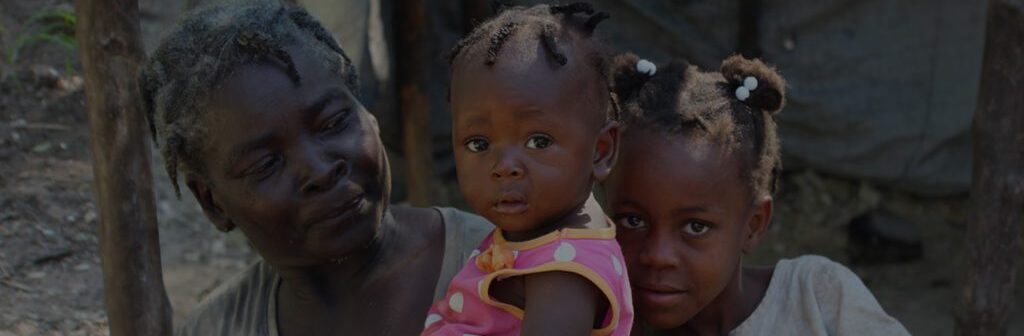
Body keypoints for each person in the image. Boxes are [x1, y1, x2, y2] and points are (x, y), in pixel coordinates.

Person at [140, 1, 491, 335]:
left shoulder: (504, 266)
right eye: (266, 164)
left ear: (368, 116)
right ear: (212, 203)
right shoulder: (216, 329)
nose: (320, 171)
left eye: (334, 122)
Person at [602, 54, 910, 335]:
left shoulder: (816, 297)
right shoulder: (599, 320)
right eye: (632, 220)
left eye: (695, 226)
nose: (658, 255)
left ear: (753, 225)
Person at [421, 3, 633, 335]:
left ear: (600, 151)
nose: (504, 168)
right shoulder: (539, 230)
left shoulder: (566, 274)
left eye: (538, 141)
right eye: (478, 144)